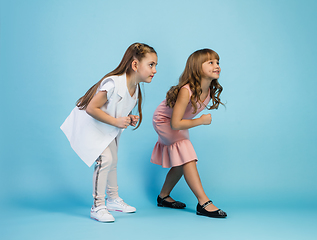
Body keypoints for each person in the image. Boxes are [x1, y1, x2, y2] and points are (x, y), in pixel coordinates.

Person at [61, 43, 158, 222]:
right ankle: (97, 206)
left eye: (155, 66)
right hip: (91, 126)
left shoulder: (135, 87)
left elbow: (118, 109)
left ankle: (113, 199)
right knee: (105, 160)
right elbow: (91, 108)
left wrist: (128, 118)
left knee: (113, 161)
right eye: (151, 65)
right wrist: (116, 121)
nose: (155, 70)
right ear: (135, 65)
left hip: (107, 128)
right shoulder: (113, 83)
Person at [151, 49, 227, 218]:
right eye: (211, 62)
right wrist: (200, 120)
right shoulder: (187, 90)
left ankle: (163, 197)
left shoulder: (209, 89)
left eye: (218, 62)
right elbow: (175, 123)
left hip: (179, 122)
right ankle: (203, 202)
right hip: (164, 120)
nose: (217, 66)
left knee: (181, 161)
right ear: (196, 68)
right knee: (186, 152)